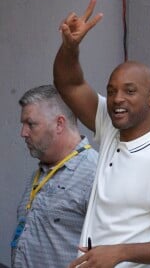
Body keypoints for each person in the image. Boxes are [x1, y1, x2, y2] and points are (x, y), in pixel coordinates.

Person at [53, 0, 150, 268]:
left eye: (130, 91)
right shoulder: (112, 126)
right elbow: (69, 83)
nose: (117, 98)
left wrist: (121, 252)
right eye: (111, 91)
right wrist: (70, 47)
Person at [11, 85, 98, 268]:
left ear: (59, 124)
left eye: (31, 124)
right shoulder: (41, 173)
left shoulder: (95, 174)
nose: (23, 133)